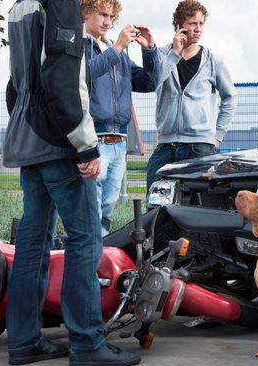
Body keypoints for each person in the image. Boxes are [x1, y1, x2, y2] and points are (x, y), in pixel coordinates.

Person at [4, 0, 141, 366]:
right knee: (86, 239)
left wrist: (25, 122)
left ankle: (23, 341)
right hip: (58, 141)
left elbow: (15, 84)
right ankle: (87, 342)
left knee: (32, 244)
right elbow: (64, 78)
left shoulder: (19, 7)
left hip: (28, 138)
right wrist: (85, 145)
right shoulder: (60, 4)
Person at [82, 0, 159, 237]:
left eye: (112, 17)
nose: (108, 22)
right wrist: (117, 48)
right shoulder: (80, 47)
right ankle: (90, 259)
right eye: (103, 14)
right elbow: (85, 76)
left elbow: (148, 83)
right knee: (91, 209)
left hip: (119, 141)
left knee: (107, 209)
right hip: (95, 138)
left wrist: (149, 50)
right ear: (86, 12)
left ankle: (99, 254)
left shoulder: (118, 53)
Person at [145, 0, 237, 190]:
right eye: (192, 23)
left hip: (200, 145)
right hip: (165, 143)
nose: (198, 29)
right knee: (155, 199)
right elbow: (153, 82)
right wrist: (175, 53)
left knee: (197, 202)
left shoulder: (213, 60)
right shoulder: (162, 54)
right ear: (179, 25)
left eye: (201, 24)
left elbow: (230, 97)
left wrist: (217, 135)